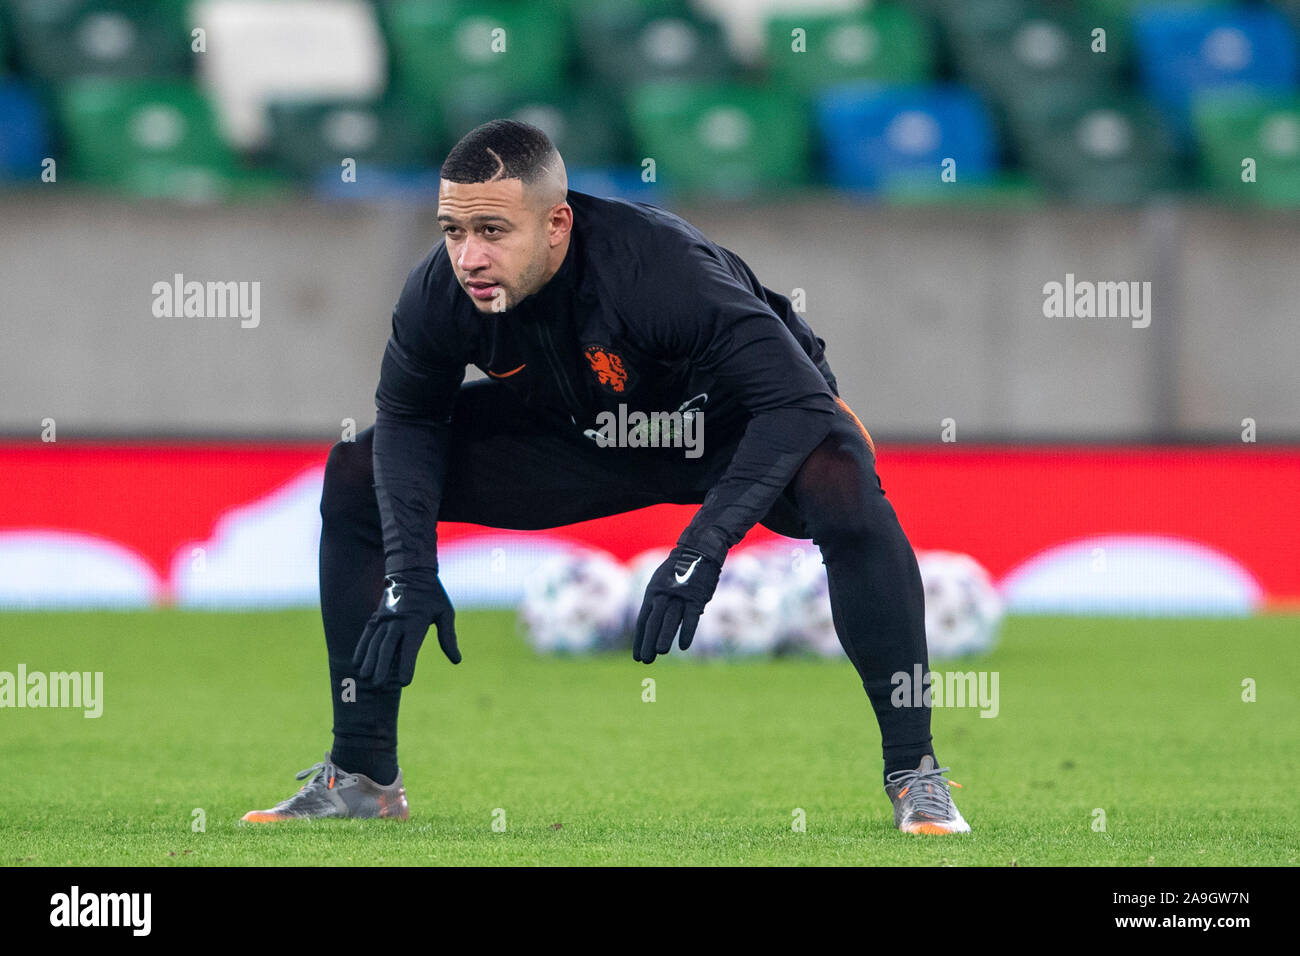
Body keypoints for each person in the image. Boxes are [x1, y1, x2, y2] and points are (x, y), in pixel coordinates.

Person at [242, 120, 968, 835]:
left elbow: (798, 399)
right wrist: (410, 571)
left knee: (844, 482)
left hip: (724, 429)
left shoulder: (658, 268)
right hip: (579, 437)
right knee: (355, 475)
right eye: (452, 231)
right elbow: (408, 419)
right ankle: (363, 776)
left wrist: (701, 548)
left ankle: (916, 775)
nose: (468, 257)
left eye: (493, 231)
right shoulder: (439, 293)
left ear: (557, 223)